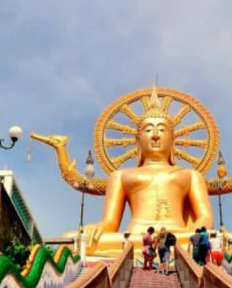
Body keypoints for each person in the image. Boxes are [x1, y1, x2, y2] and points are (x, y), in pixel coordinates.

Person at [84, 88, 215, 253]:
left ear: (173, 139)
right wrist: (97, 228)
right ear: (137, 140)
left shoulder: (190, 175)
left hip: (178, 236)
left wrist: (194, 233)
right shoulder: (120, 176)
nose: (155, 135)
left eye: (161, 129)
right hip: (135, 238)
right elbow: (110, 222)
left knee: (212, 237)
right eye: (147, 130)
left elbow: (205, 217)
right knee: (77, 239)